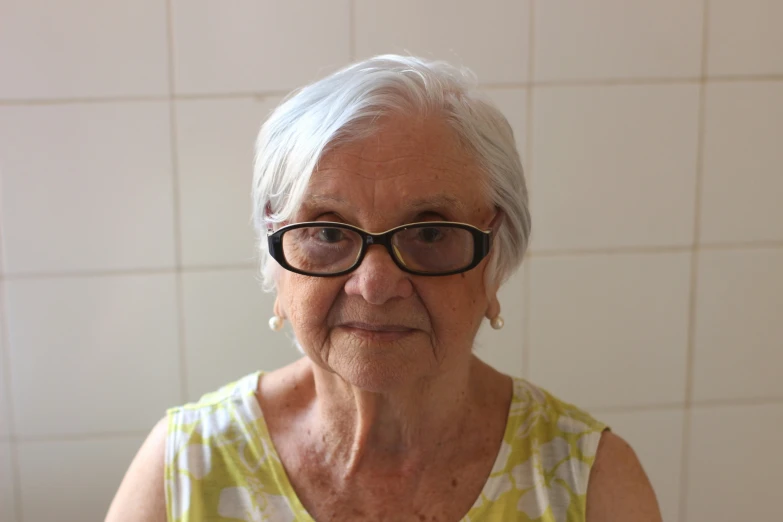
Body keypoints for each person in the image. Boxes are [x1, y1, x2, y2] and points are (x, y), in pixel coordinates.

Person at [107, 55, 662, 522]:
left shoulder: (587, 484)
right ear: (277, 263)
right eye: (327, 230)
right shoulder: (184, 470)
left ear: (496, 260)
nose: (374, 285)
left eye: (429, 232)